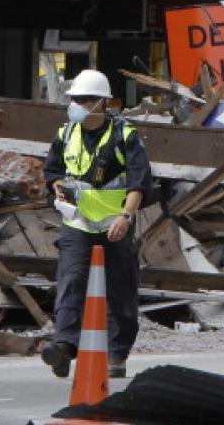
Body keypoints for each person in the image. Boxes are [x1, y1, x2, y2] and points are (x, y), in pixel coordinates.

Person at [40, 69, 152, 379]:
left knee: (120, 290)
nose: (77, 104)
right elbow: (51, 173)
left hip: (115, 225)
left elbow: (139, 182)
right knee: (71, 281)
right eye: (75, 99)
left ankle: (116, 354)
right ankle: (63, 346)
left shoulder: (124, 136)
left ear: (101, 103)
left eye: (84, 99)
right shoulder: (66, 134)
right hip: (77, 224)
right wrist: (57, 187)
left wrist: (125, 218)